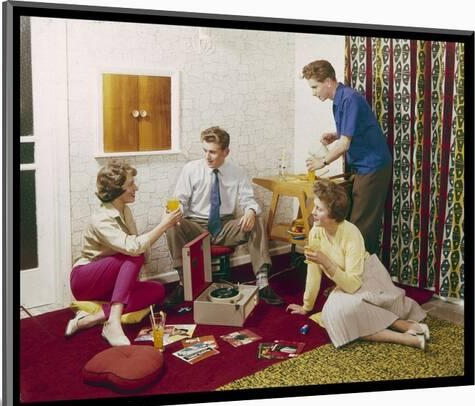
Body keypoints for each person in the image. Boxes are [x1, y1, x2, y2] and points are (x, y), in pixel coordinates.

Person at [286, 180, 429, 350]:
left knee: (337, 314)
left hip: (367, 279)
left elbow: (353, 284)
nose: (313, 212)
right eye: (314, 207)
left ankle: (407, 330)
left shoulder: (351, 233)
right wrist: (306, 306)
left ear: (334, 214)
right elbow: (313, 271)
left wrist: (326, 261)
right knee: (338, 314)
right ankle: (407, 333)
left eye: (319, 209)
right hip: (346, 284)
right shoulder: (316, 231)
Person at [65, 160, 183, 346]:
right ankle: (112, 323)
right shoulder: (101, 219)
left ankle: (89, 319)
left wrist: (164, 223)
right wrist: (163, 225)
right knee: (134, 254)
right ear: (116, 189)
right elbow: (134, 249)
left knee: (158, 290)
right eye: (130, 184)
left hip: (109, 282)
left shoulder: (125, 210)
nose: (136, 187)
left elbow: (141, 252)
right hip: (84, 280)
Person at [164, 126, 284, 307]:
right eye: (205, 151)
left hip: (224, 227)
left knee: (257, 218)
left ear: (226, 152)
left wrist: (250, 211)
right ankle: (184, 283)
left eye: (212, 152)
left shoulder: (237, 172)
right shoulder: (190, 169)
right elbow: (180, 200)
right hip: (196, 227)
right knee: (171, 223)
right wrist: (176, 210)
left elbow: (248, 200)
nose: (207, 156)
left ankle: (262, 284)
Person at [302, 60, 392, 255]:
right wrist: (335, 134)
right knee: (351, 223)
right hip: (361, 167)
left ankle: (361, 280)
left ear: (327, 81)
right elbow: (351, 131)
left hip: (373, 166)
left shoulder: (349, 98)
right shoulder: (340, 99)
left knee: (361, 228)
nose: (313, 92)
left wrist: (322, 162)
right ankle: (354, 277)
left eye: (314, 87)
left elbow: (345, 144)